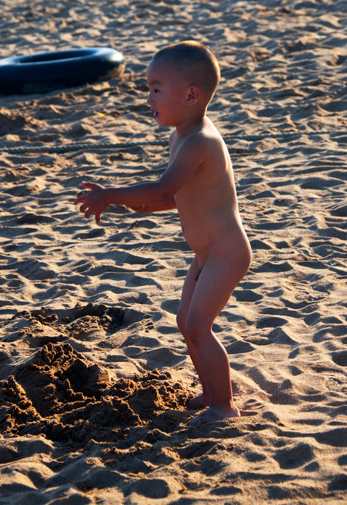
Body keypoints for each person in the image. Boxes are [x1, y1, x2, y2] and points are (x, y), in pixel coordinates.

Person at [75, 41, 252, 424]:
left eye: (156, 89)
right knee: (184, 323)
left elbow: (162, 189)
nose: (148, 97)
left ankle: (224, 406)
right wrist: (133, 204)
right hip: (205, 253)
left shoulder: (200, 142)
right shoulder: (179, 137)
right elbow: (178, 197)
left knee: (197, 325)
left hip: (226, 251)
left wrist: (112, 195)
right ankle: (209, 392)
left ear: (192, 95)